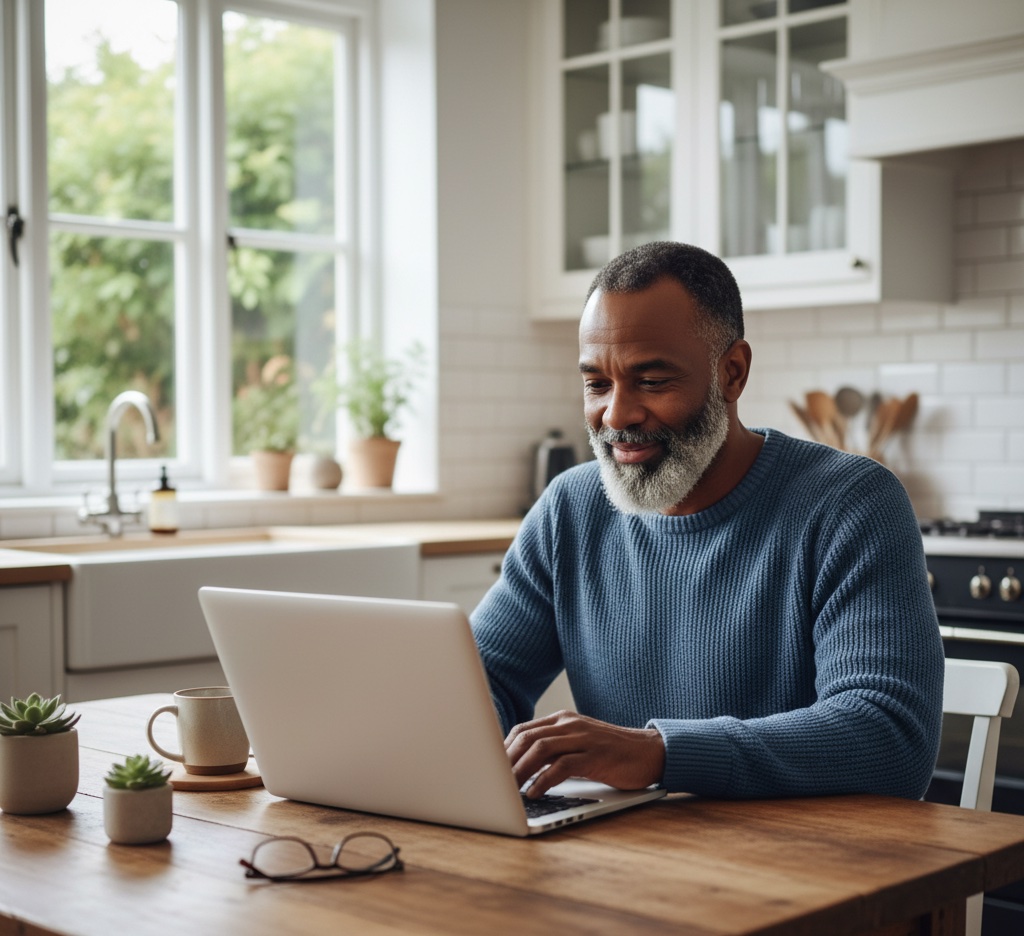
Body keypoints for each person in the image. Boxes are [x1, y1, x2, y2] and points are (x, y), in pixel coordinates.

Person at [471, 241, 944, 802]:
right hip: (630, 861)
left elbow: (889, 736)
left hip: (809, 867)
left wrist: (658, 752)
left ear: (733, 373)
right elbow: (476, 686)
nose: (616, 415)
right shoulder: (569, 510)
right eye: (597, 383)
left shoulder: (850, 504)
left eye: (652, 381)